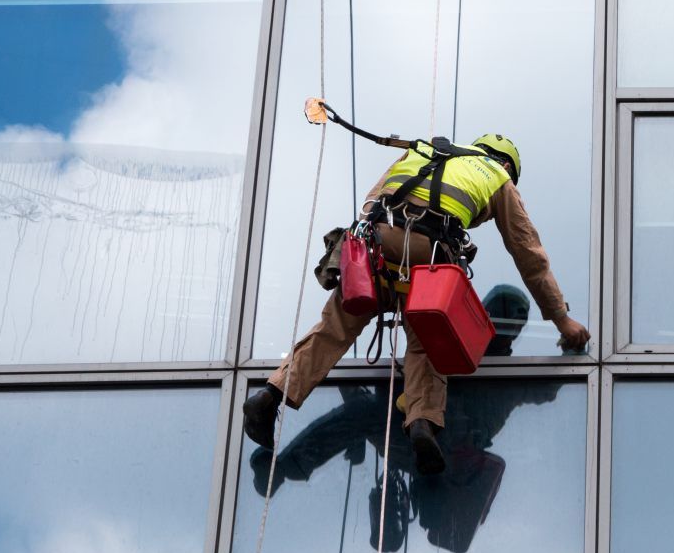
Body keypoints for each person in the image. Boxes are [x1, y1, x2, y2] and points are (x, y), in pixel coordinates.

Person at [242, 133, 589, 472]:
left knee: (333, 329)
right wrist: (562, 321)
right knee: (427, 342)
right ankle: (423, 426)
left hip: (376, 244)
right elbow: (529, 254)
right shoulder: (498, 177)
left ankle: (270, 397)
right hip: (429, 254)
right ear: (506, 165)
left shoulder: (422, 150)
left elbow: (371, 203)